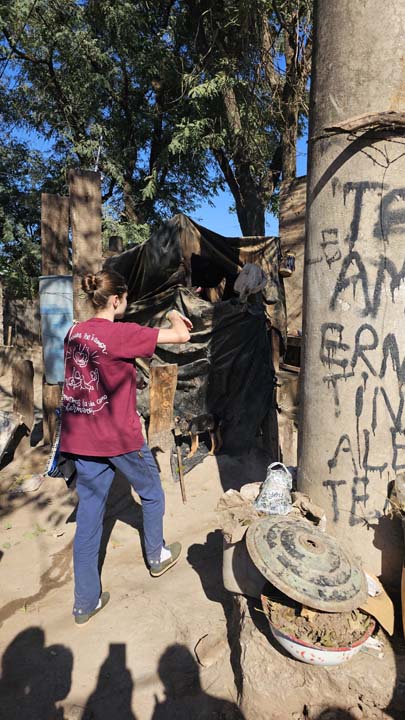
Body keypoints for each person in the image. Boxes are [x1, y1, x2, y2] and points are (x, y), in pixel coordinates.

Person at [60, 269, 192, 625]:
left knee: (90, 515)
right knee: (151, 493)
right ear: (116, 299)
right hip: (118, 436)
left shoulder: (74, 333)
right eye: (126, 298)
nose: (127, 303)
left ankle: (85, 602)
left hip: (80, 436)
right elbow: (181, 336)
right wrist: (172, 312)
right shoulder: (122, 333)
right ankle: (157, 555)